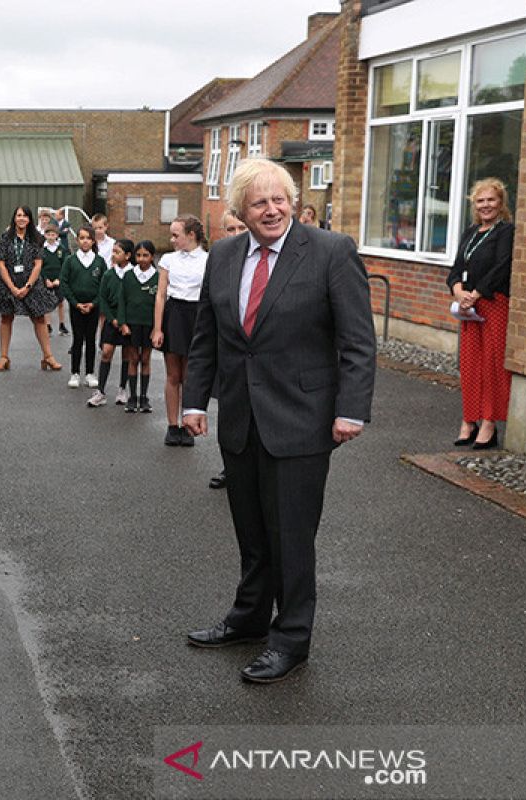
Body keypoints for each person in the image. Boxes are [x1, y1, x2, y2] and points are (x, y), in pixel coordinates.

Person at [182, 157, 376, 684]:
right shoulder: (222, 255)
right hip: (241, 419)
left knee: (291, 535)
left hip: (304, 421)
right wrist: (195, 402)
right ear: (240, 210)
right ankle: (249, 618)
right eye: (259, 202)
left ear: (292, 202)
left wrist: (351, 409)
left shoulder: (331, 252)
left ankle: (290, 638)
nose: (271, 209)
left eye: (280, 199)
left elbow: (357, 340)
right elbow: (208, 338)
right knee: (252, 530)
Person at [446, 177, 515, 450]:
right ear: (474, 204)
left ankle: (489, 422)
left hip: (493, 304)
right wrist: (458, 291)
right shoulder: (471, 232)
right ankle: (469, 420)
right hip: (469, 309)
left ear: (500, 203)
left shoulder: (505, 231)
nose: (485, 205)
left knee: (492, 366)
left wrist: (476, 293)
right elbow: (455, 268)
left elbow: (502, 266)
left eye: (491, 200)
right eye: (480, 200)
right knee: (470, 365)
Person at [152, 215, 209, 446]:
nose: (172, 239)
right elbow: (160, 295)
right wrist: (157, 328)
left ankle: (188, 425)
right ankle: (172, 425)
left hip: (196, 315)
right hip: (173, 315)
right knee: (173, 375)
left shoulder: (208, 260)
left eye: (176, 235)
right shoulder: (168, 259)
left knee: (189, 375)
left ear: (191, 235)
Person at [204, 210, 248, 491]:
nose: (236, 234)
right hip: (228, 352)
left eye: (240, 227)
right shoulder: (220, 259)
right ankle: (230, 466)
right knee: (229, 411)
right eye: (230, 229)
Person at [0, 205, 62, 372]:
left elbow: (38, 265)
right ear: (14, 218)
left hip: (31, 285)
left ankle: (48, 356)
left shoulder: (37, 238)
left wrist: (27, 286)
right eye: (18, 215)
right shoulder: (5, 237)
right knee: (6, 318)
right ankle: (4, 357)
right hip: (7, 284)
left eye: (25, 216)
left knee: (39, 318)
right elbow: (0, 264)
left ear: (30, 219)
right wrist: (12, 287)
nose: (21, 218)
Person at [86, 239, 134, 407]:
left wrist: (124, 322)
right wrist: (112, 319)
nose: (113, 255)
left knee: (127, 354)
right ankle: (101, 391)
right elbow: (103, 299)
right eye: (112, 251)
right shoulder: (108, 274)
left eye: (117, 252)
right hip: (111, 320)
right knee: (106, 352)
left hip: (128, 322)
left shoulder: (133, 275)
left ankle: (122, 389)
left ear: (128, 256)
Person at [59, 225, 106, 388]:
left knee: (91, 339)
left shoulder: (99, 261)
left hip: (93, 307)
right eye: (82, 238)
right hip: (76, 307)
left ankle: (90, 373)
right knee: (77, 339)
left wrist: (94, 303)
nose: (85, 241)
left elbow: (103, 285)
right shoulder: (70, 261)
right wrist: (75, 303)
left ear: (93, 241)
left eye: (88, 238)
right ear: (77, 240)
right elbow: (64, 283)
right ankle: (75, 373)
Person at [118, 240, 159, 413]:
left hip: (149, 325)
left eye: (146, 255)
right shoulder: (128, 276)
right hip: (132, 324)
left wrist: (158, 327)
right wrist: (123, 323)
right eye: (139, 255)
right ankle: (132, 397)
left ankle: (144, 397)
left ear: (152, 257)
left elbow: (161, 303)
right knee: (133, 359)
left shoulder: (158, 277)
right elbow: (122, 301)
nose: (142, 259)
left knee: (146, 359)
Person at [40, 225, 71, 337]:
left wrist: (59, 279)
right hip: (46, 280)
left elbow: (64, 265)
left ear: (57, 236)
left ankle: (62, 324)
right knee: (47, 303)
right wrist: (46, 280)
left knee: (60, 303)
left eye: (53, 235)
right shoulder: (42, 250)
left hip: (58, 280)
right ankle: (47, 325)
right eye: (48, 234)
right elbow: (40, 267)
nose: (51, 237)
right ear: (45, 235)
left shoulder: (61, 249)